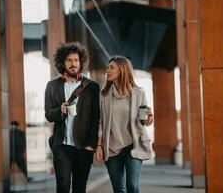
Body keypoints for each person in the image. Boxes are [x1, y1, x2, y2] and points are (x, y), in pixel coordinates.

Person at [45, 42, 100, 193]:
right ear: (63, 63)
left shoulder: (92, 87)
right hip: (61, 146)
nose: (73, 63)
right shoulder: (52, 86)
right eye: (69, 60)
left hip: (84, 146)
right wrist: (60, 110)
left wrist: (91, 144)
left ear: (81, 62)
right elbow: (49, 115)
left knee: (79, 188)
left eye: (76, 60)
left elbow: (96, 118)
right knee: (62, 187)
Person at [95, 56, 153, 193]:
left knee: (132, 186)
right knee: (119, 189)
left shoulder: (139, 93)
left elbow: (144, 120)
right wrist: (99, 146)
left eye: (112, 68)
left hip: (133, 146)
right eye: (108, 68)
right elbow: (101, 123)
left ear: (122, 70)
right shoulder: (103, 96)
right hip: (112, 149)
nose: (108, 71)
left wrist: (148, 119)